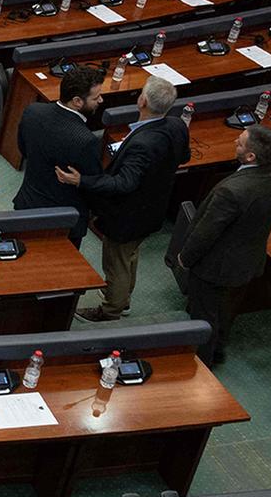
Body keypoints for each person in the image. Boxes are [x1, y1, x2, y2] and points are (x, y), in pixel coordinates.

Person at [60, 76, 189, 322]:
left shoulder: (143, 143)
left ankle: (111, 309)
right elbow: (184, 156)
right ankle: (124, 299)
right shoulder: (177, 125)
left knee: (116, 263)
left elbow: (123, 183)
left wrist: (81, 181)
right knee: (129, 255)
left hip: (128, 215)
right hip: (153, 207)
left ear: (142, 100)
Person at [174, 124, 271, 364]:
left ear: (250, 156)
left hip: (216, 266)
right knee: (225, 310)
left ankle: (202, 364)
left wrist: (184, 258)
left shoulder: (232, 191)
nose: (234, 142)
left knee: (204, 316)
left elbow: (206, 232)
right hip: (250, 258)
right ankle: (218, 349)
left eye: (239, 142)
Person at [13, 65, 105, 244]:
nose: (101, 100)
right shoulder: (86, 141)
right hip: (64, 220)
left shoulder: (33, 111)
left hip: (27, 204)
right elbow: (93, 184)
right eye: (96, 97)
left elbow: (23, 149)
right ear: (77, 101)